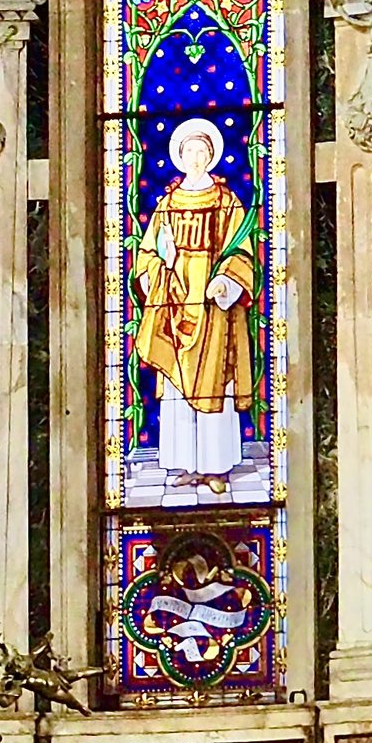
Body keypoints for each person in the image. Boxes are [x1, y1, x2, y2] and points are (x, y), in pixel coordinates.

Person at [132, 117, 259, 497]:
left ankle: (215, 467)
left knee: (213, 384)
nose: (196, 157)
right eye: (189, 151)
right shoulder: (167, 203)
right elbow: (147, 254)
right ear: (180, 156)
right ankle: (185, 464)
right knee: (176, 388)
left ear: (212, 156)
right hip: (173, 299)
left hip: (213, 306)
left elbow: (241, 251)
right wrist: (161, 263)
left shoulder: (226, 201)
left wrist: (227, 282)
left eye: (202, 151)